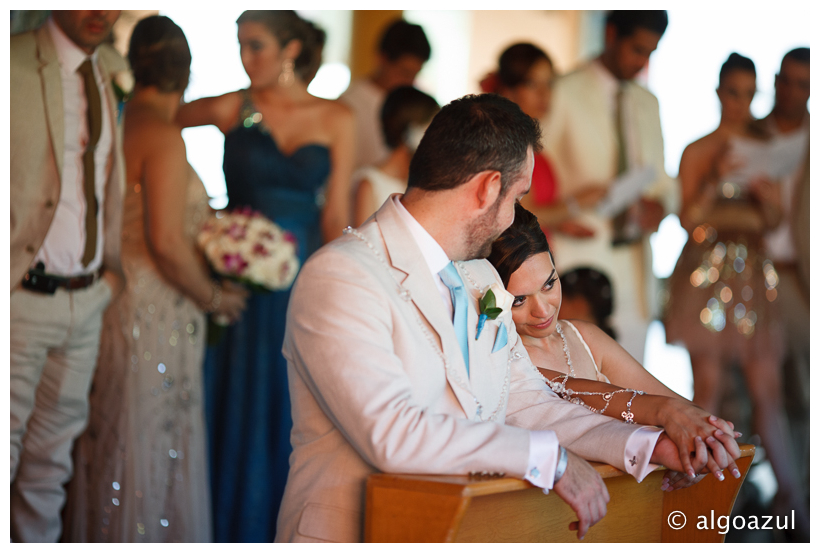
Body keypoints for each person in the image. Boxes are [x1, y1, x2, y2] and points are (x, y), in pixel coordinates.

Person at [276, 94, 737, 543]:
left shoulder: (479, 276)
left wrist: (647, 445)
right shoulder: (342, 275)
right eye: (518, 196)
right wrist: (549, 459)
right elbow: (394, 433)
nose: (513, 216)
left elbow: (526, 401)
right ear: (488, 188)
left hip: (465, 528)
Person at [62, 15, 248, 543]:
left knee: (116, 431)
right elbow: (166, 242)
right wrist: (215, 297)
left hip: (115, 298)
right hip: (156, 306)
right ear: (185, 74)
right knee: (147, 436)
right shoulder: (162, 136)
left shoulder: (117, 119)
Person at [175, 10, 354, 542]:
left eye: (255, 45)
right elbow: (154, 123)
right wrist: (197, 217)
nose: (245, 57)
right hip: (238, 282)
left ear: (291, 50)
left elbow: (333, 215)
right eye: (240, 45)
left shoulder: (337, 117)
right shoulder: (233, 105)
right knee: (232, 401)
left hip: (302, 286)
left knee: (287, 403)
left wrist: (342, 293)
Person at [489, 203, 741, 490]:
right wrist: (665, 417)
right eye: (519, 300)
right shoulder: (499, 358)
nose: (543, 310)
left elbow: (675, 405)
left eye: (549, 284)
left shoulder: (584, 337)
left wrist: (702, 439)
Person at [663, 53, 808, 532]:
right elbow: (687, 219)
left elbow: (772, 223)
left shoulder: (766, 148)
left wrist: (765, 201)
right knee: (707, 389)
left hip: (753, 275)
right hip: (707, 276)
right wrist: (719, 178)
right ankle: (699, 505)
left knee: (766, 388)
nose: (742, 104)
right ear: (719, 92)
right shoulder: (699, 149)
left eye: (750, 95)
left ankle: (794, 503)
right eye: (733, 93)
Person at [10, 10, 125, 542]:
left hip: (86, 298)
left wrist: (110, 278)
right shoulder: (13, 60)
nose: (102, 10)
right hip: (20, 298)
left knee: (50, 468)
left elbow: (102, 183)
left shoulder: (103, 71)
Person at [542, 10, 678, 364]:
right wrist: (558, 215)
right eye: (637, 49)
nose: (642, 61)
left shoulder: (649, 103)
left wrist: (661, 206)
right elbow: (531, 177)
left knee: (633, 386)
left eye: (651, 52)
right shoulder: (562, 91)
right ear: (611, 34)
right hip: (579, 260)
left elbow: (664, 181)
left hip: (635, 265)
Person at [482, 42, 607, 240]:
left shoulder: (526, 140)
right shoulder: (505, 143)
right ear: (508, 89)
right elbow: (519, 216)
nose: (544, 94)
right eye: (532, 84)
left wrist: (558, 223)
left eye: (549, 84)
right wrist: (579, 202)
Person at [760, 47, 810, 502]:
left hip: (800, 278)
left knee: (804, 390)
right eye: (785, 80)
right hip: (745, 275)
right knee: (750, 388)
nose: (791, 92)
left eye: (803, 84)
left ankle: (802, 498)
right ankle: (765, 493)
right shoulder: (750, 132)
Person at [340, 18, 431, 170]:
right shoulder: (349, 105)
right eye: (404, 72)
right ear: (382, 59)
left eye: (415, 74)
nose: (410, 82)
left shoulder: (416, 106)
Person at [352, 85, 439, 226]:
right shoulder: (368, 184)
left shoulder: (428, 181)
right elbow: (364, 243)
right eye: (431, 128)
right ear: (412, 131)